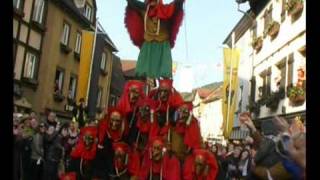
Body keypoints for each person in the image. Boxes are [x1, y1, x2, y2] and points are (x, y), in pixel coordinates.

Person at [124, 0, 185, 78]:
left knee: (165, 70)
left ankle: (165, 86)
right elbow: (132, 3)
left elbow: (177, 5)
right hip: (148, 44)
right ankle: (140, 85)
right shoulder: (144, 10)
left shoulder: (167, 10)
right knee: (141, 70)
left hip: (163, 44)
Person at [93, 107, 129, 179]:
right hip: (100, 173)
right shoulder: (102, 134)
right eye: (112, 120)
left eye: (117, 121)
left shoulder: (124, 137)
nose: (114, 123)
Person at [117, 80, 146, 146]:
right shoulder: (122, 104)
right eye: (132, 91)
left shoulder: (140, 108)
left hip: (134, 141)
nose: (134, 95)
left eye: (136, 92)